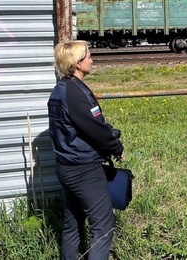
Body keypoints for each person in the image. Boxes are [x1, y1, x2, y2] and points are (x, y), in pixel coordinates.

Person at [48, 40, 124, 260]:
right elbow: (95, 129)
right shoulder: (74, 93)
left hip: (65, 166)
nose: (92, 59)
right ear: (76, 63)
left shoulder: (60, 89)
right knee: (103, 225)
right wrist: (116, 147)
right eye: (88, 55)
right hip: (83, 170)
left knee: (73, 222)